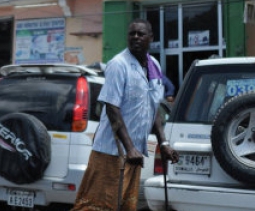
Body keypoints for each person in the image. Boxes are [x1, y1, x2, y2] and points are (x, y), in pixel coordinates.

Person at [72, 19, 179, 211]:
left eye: (141, 34)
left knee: (125, 206)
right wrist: (129, 148)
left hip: (134, 154)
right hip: (111, 152)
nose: (136, 37)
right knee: (97, 206)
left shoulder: (153, 65)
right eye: (132, 34)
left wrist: (163, 143)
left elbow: (153, 108)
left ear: (151, 38)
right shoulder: (118, 65)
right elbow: (112, 109)